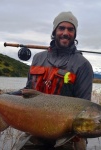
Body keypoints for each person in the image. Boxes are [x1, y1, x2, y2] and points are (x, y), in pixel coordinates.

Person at [21, 11, 94, 150]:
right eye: (61, 28)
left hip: (68, 134)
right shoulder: (38, 58)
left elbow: (85, 107)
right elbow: (26, 94)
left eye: (70, 29)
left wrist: (79, 132)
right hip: (36, 128)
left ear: (75, 34)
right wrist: (0, 95)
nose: (66, 32)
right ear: (54, 31)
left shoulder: (83, 65)